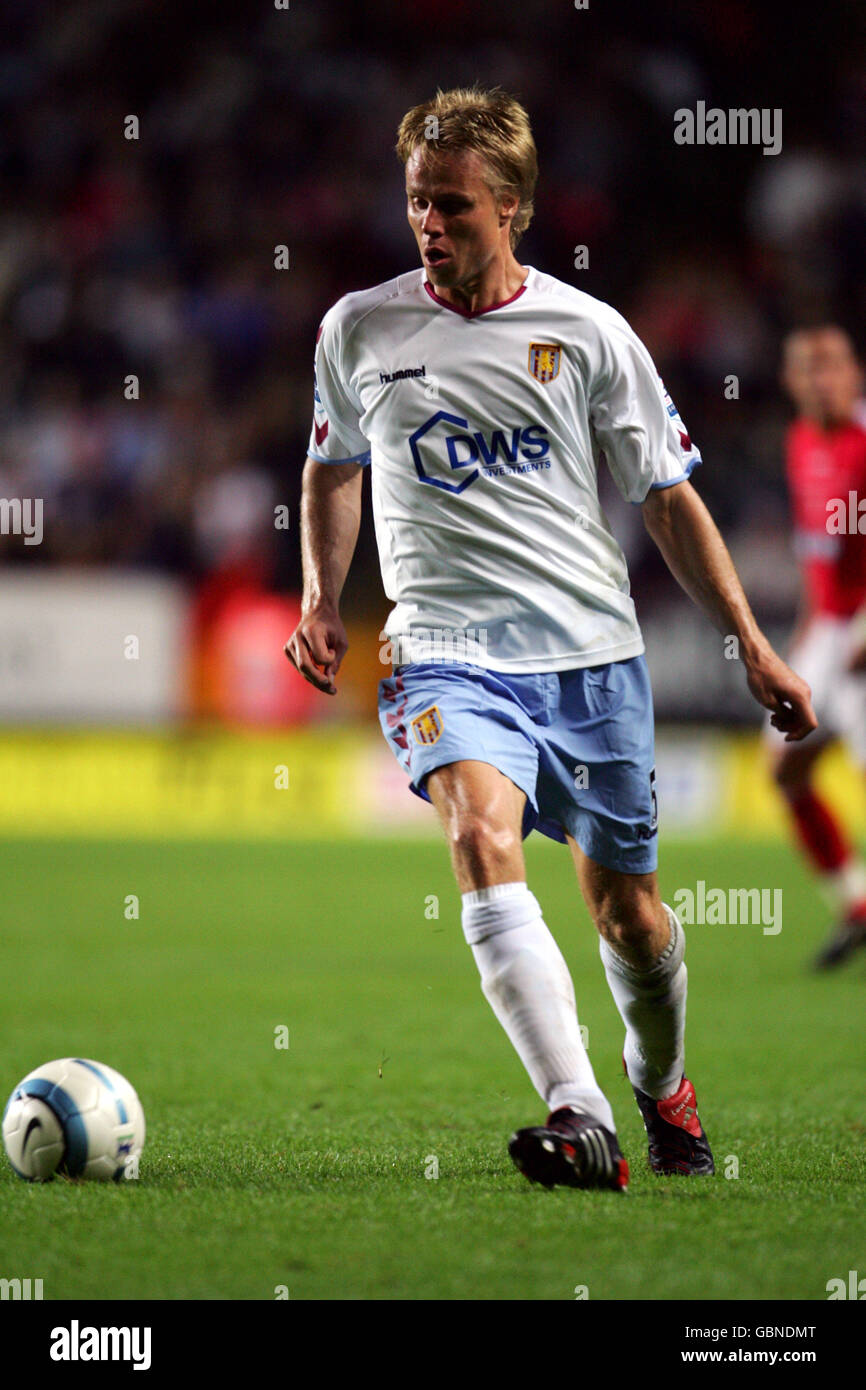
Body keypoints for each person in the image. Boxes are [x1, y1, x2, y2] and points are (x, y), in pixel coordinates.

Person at [285, 86, 816, 1191]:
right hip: (442, 649)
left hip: (588, 659)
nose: (428, 225)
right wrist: (321, 598)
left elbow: (666, 498)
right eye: (415, 204)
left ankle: (656, 1079)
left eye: (453, 207)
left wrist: (752, 646)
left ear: (514, 206)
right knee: (477, 836)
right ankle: (578, 1115)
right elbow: (333, 463)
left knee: (628, 916)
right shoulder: (359, 328)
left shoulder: (587, 336)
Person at [769, 327, 866, 968]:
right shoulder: (800, 442)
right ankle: (856, 905)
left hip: (862, 628)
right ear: (789, 380)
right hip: (826, 633)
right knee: (785, 769)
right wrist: (804, 633)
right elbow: (817, 550)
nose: (820, 378)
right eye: (807, 368)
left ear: (855, 373)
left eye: (831, 365)